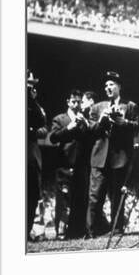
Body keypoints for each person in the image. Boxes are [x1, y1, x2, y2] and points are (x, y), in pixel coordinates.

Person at [86, 72, 139, 238]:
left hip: (119, 157)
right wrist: (102, 119)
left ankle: (117, 229)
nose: (108, 88)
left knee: (117, 196)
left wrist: (124, 123)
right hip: (100, 157)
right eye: (106, 85)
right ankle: (91, 230)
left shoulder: (130, 106)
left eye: (111, 85)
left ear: (119, 86)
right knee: (95, 196)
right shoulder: (97, 107)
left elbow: (138, 125)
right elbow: (91, 131)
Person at [49, 89, 91, 239]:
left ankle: (77, 231)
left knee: (80, 200)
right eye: (73, 101)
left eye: (79, 102)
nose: (76, 105)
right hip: (64, 165)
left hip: (81, 166)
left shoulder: (84, 119)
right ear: (68, 102)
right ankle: (61, 232)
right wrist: (69, 127)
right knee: (64, 201)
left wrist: (84, 124)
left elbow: (89, 139)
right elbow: (53, 138)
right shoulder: (59, 119)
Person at [26, 70, 48, 241]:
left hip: (31, 152)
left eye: (32, 84)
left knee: (32, 192)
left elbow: (42, 121)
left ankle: (26, 231)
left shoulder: (34, 104)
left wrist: (32, 100)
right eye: (27, 83)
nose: (29, 87)